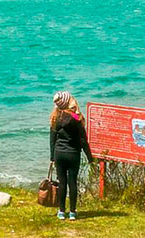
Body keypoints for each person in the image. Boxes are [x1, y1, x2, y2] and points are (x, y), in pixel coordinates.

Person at [49, 90, 94, 221]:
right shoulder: (76, 118)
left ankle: (61, 211)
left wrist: (52, 157)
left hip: (59, 153)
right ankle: (73, 212)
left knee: (62, 182)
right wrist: (90, 157)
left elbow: (52, 140)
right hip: (73, 154)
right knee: (72, 182)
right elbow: (83, 140)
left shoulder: (55, 117)